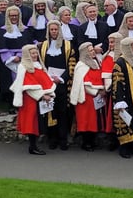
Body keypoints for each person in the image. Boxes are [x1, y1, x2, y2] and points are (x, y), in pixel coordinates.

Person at [9, 44, 55, 155]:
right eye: (32, 53)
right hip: (30, 100)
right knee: (32, 123)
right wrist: (42, 95)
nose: (35, 55)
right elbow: (28, 85)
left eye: (36, 53)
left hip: (38, 99)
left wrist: (48, 93)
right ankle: (32, 146)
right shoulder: (24, 67)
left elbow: (43, 80)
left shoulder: (38, 65)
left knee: (37, 122)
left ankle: (34, 146)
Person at [39, 20, 77, 150]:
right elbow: (41, 65)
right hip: (48, 83)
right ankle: (52, 139)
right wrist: (47, 78)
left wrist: (60, 78)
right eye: (52, 30)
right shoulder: (42, 46)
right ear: (48, 31)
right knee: (50, 111)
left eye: (56, 29)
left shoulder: (67, 46)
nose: (54, 32)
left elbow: (72, 65)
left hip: (62, 84)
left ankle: (63, 139)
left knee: (62, 112)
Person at [112, 37, 133, 158]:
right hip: (127, 98)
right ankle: (124, 147)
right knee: (126, 122)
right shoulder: (120, 63)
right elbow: (117, 83)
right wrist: (120, 100)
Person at [0, 6, 32, 112]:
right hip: (7, 60)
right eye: (11, 15)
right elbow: (1, 46)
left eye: (16, 15)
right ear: (8, 16)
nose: (14, 17)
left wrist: (19, 56)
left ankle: (22, 104)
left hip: (22, 59)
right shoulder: (2, 30)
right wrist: (10, 58)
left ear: (19, 16)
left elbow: (27, 44)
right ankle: (11, 104)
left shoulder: (25, 30)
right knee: (9, 83)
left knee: (22, 81)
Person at [70, 42, 106, 151]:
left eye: (93, 50)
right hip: (86, 98)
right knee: (86, 121)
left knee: (94, 120)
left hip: (96, 97)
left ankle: (92, 140)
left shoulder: (97, 62)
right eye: (90, 50)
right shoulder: (81, 65)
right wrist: (97, 91)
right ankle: (86, 143)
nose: (93, 52)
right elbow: (83, 84)